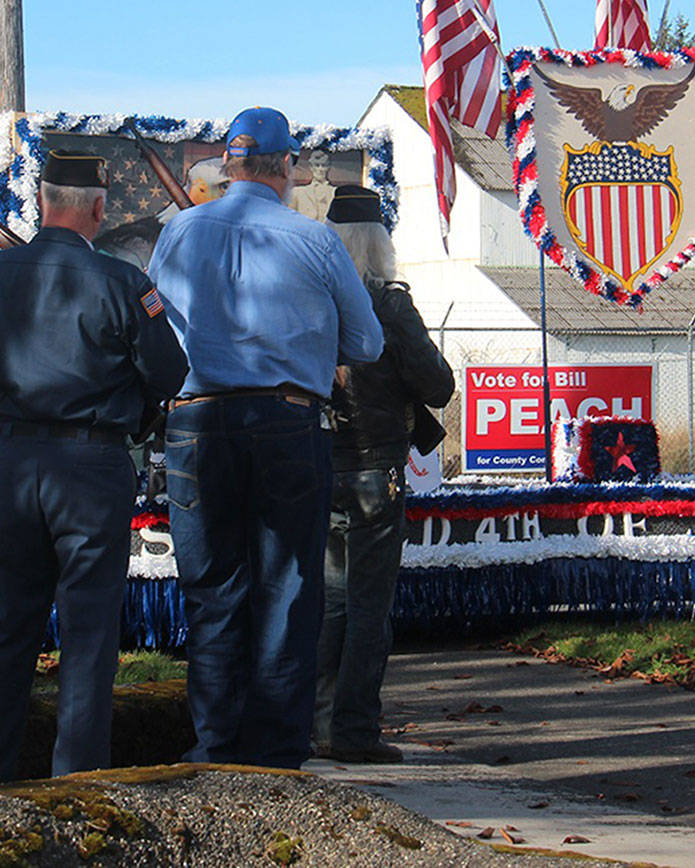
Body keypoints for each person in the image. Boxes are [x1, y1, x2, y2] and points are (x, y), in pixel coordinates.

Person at [148, 107, 383, 769]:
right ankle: (277, 754)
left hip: (196, 422)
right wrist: (304, 338)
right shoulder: (314, 240)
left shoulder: (180, 233)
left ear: (228, 165)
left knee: (213, 588)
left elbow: (160, 328)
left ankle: (214, 747)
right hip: (286, 422)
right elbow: (366, 341)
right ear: (285, 167)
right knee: (287, 588)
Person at [0, 149, 188, 787]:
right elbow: (169, 371)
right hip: (91, 464)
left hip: (15, 459)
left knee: (3, 624)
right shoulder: (121, 281)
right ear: (97, 207)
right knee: (87, 639)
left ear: (41, 202)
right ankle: (78, 785)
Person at [313, 186, 454, 764]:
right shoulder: (389, 306)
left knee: (328, 603)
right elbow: (438, 386)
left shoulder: (312, 298)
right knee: (369, 606)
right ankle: (354, 731)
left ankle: (318, 725)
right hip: (376, 467)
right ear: (380, 245)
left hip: (321, 461)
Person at [291, 149, 336, 221]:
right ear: (311, 167)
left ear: (328, 167)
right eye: (317, 165)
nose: (320, 169)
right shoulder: (298, 192)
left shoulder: (335, 192)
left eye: (324, 165)